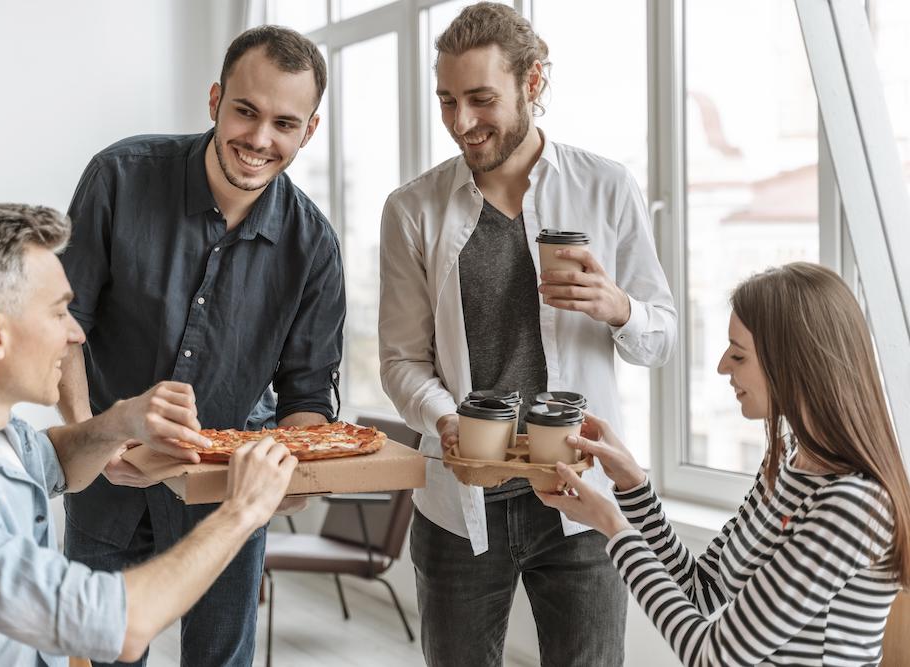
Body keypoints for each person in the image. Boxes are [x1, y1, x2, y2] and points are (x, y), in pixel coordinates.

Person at [378, 3, 676, 665]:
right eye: (447, 101)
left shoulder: (606, 186)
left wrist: (617, 304)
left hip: (583, 505)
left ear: (533, 82)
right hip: (459, 509)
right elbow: (400, 361)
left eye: (481, 99)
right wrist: (443, 418)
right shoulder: (412, 209)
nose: (462, 123)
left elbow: (661, 340)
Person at [57, 25, 345, 666]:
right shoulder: (119, 177)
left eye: (285, 123)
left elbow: (307, 393)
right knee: (97, 651)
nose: (260, 140)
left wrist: (294, 471)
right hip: (105, 485)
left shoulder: (315, 247)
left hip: (224, 500)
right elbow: (64, 326)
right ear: (215, 98)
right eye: (245, 111)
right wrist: (85, 438)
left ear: (310, 130)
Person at [0, 203, 297, 666]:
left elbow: (53, 458)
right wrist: (243, 510)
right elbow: (121, 625)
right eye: (58, 314)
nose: (76, 333)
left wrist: (120, 421)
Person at [540, 262, 910, 666]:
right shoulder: (785, 459)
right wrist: (633, 486)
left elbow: (713, 655)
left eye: (738, 355)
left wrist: (614, 528)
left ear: (794, 363)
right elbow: (702, 588)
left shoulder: (852, 506)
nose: (721, 367)